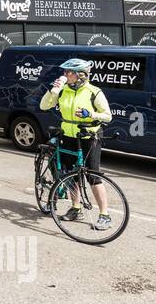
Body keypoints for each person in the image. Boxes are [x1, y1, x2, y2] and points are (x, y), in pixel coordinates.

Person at [39, 57, 114, 230]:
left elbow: (108, 116)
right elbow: (44, 106)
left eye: (68, 72)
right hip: (68, 135)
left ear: (81, 75)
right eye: (64, 72)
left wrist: (91, 114)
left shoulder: (94, 92)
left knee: (93, 175)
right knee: (70, 173)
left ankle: (105, 215)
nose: (65, 75)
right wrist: (53, 91)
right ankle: (75, 208)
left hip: (89, 136)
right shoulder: (63, 90)